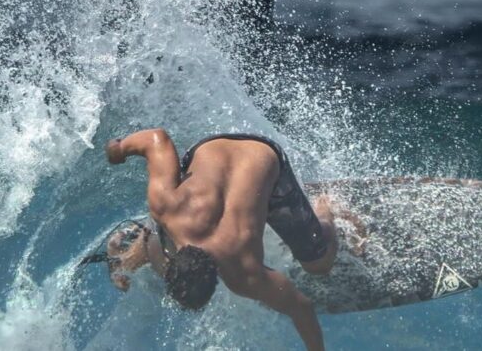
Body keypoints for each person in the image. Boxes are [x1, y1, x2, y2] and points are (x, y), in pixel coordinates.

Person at [103, 129, 338, 351]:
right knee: (161, 231)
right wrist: (119, 149)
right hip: (209, 147)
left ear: (218, 277)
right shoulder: (167, 207)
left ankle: (325, 210)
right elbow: (156, 138)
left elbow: (302, 307)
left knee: (319, 265)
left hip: (266, 156)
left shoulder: (246, 274)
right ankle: (129, 256)